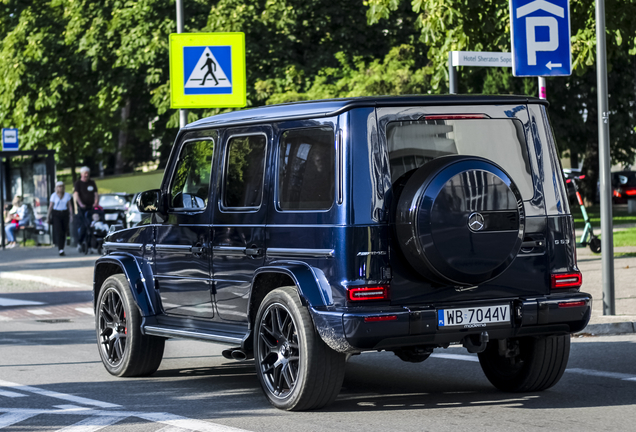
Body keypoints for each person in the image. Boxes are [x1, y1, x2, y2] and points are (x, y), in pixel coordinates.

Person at [73, 166, 99, 249]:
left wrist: (96, 202)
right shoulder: (78, 183)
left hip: (91, 207)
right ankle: (80, 242)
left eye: (87, 173)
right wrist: (80, 204)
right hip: (82, 208)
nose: (86, 175)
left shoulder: (92, 183)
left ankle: (91, 244)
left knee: (92, 225)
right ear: (81, 174)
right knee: (84, 225)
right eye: (85, 173)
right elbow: (76, 195)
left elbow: (95, 194)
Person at [47, 181, 73, 256]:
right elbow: (51, 206)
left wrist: (71, 215)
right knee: (59, 231)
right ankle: (60, 248)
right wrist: (48, 216)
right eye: (59, 186)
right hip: (56, 214)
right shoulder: (53, 196)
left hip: (64, 213)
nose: (60, 188)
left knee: (64, 231)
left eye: (61, 186)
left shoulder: (67, 195)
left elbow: (69, 206)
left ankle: (62, 247)